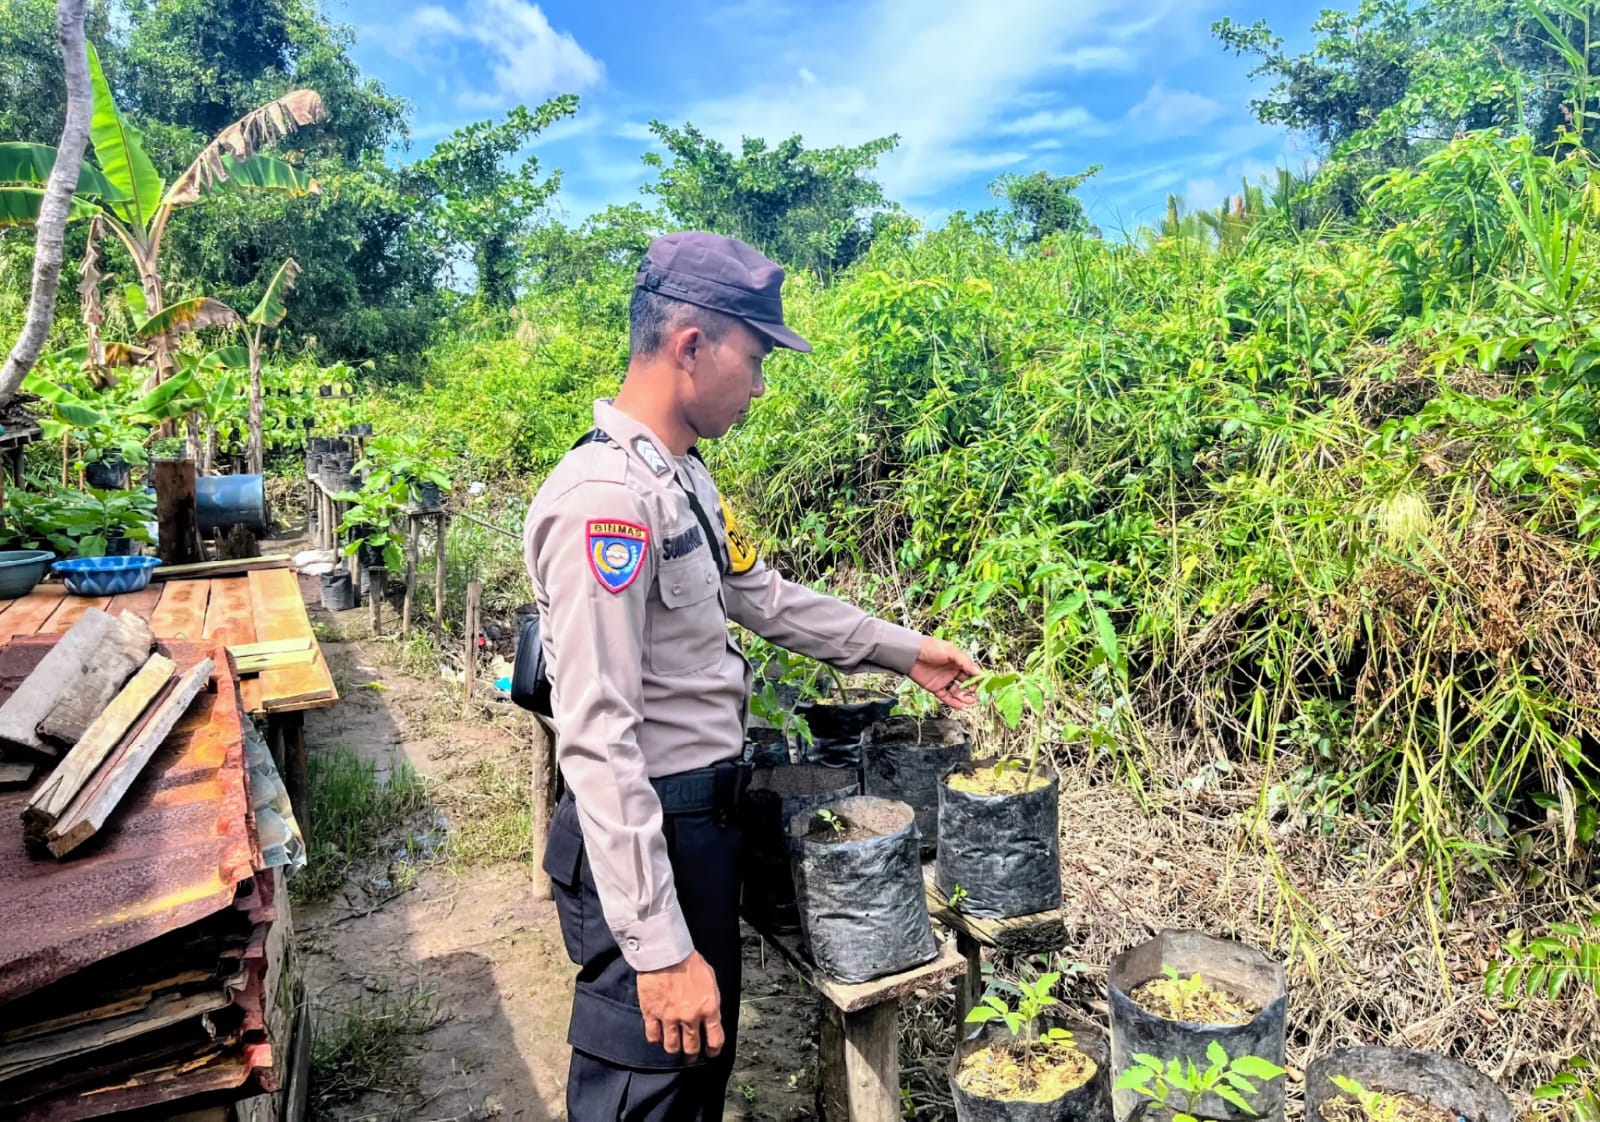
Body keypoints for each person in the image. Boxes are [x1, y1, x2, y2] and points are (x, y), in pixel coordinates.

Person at [523, 230, 981, 1121]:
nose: (762, 384)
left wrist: (902, 648)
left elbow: (758, 594)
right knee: (645, 1091)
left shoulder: (681, 478)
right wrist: (657, 947)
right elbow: (599, 736)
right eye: (757, 356)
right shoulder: (606, 504)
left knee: (697, 1081)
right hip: (647, 831)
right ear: (692, 344)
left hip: (700, 827)